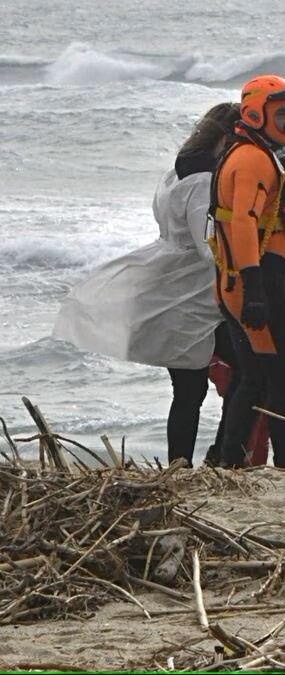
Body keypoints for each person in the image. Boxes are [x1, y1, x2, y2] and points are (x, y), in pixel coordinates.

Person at [52, 102, 240, 468]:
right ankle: (202, 460)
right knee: (213, 381)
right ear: (226, 138)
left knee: (194, 386)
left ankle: (191, 462)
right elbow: (207, 249)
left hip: (171, 283)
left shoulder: (176, 173)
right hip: (192, 293)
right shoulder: (203, 181)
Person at [209, 74, 285, 469]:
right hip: (255, 279)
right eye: (282, 113)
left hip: (252, 279)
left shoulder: (254, 154)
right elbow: (245, 222)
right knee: (283, 382)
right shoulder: (252, 159)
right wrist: (256, 290)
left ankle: (229, 460)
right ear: (254, 113)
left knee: (255, 377)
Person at [207, 201, 285, 466]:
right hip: (232, 322)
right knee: (246, 390)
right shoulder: (233, 217)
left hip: (274, 316)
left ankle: (269, 467)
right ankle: (234, 463)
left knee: (270, 395)